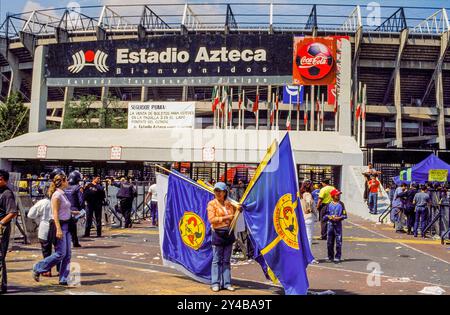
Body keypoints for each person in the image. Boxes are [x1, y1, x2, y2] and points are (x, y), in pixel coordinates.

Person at [32, 173, 78, 285]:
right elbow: (55, 213)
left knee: (67, 254)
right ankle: (39, 267)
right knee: (60, 253)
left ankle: (63, 278)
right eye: (66, 180)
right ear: (62, 181)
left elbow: (62, 209)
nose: (68, 182)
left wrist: (72, 212)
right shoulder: (56, 195)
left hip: (67, 225)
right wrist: (58, 229)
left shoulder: (63, 194)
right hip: (60, 225)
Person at [207, 182, 242, 292]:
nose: (217, 193)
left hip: (228, 233)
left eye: (219, 191)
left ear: (224, 192)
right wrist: (226, 217)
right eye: (216, 190)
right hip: (218, 233)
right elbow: (211, 219)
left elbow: (235, 216)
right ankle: (215, 283)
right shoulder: (212, 204)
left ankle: (226, 283)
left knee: (226, 260)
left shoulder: (229, 204)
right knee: (216, 260)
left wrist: (238, 210)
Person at [27, 195, 55, 277]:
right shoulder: (62, 199)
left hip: (45, 227)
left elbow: (30, 214)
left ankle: (47, 270)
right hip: (57, 227)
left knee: (46, 251)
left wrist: (39, 217)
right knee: (59, 251)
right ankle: (60, 269)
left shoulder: (43, 202)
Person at [0, 170, 18, 294]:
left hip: (2, 228)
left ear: (2, 179)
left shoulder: (7, 193)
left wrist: (0, 223)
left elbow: (12, 212)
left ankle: (1, 285)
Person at [323, 189, 347, 263]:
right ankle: (330, 256)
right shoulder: (328, 205)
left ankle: (338, 256)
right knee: (329, 241)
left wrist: (339, 217)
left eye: (339, 195)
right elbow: (324, 216)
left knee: (339, 241)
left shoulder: (341, 204)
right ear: (333, 196)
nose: (338, 196)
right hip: (330, 225)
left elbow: (345, 215)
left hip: (338, 225)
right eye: (337, 195)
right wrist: (329, 217)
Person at [300, 180, 318, 263]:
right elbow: (309, 202)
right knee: (309, 238)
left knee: (305, 237)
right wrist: (310, 208)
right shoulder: (308, 194)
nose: (313, 187)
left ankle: (304, 256)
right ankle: (309, 257)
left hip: (303, 217)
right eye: (312, 185)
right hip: (308, 217)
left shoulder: (301, 194)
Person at [65, 171, 84, 247]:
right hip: (75, 209)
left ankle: (71, 241)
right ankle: (74, 242)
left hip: (65, 209)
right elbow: (81, 200)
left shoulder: (65, 187)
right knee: (73, 226)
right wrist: (82, 209)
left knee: (66, 226)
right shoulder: (78, 188)